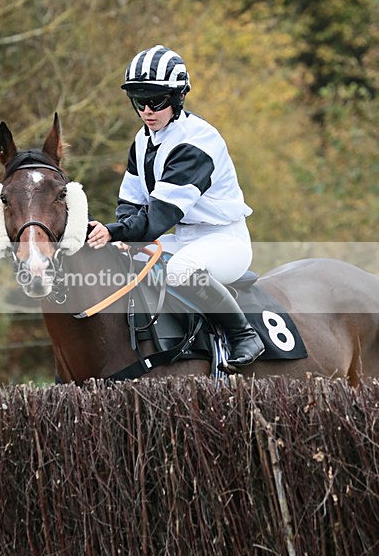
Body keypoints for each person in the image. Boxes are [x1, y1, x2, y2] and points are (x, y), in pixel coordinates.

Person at [87, 44, 265, 370]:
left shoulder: (196, 142)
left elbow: (159, 217)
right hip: (183, 237)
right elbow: (131, 202)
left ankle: (244, 336)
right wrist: (123, 235)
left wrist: (113, 232)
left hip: (223, 240)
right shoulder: (142, 141)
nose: (146, 110)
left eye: (155, 101)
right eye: (139, 101)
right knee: (123, 261)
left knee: (181, 272)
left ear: (178, 98)